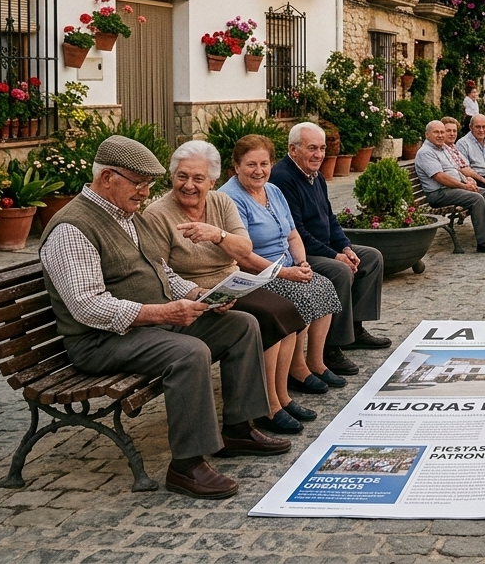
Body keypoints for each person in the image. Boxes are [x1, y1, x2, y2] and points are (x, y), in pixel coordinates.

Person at [40, 136, 289, 500]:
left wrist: (199, 297)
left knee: (241, 325)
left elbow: (161, 273)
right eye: (137, 183)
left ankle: (237, 428)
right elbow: (87, 306)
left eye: (148, 184)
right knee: (189, 353)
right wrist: (162, 312)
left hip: (148, 324)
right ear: (107, 178)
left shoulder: (127, 216)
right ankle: (186, 466)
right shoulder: (73, 228)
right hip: (100, 340)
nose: (144, 192)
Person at [146, 140, 317, 435]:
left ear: (212, 181)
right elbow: (161, 272)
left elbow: (243, 246)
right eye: (182, 176)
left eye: (198, 179)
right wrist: (198, 293)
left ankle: (281, 397)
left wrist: (217, 234)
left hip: (234, 281)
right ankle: (269, 407)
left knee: (286, 310)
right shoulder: (158, 214)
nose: (189, 185)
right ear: (171, 177)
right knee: (265, 317)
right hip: (197, 291)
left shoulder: (221, 203)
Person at [220, 135, 348, 409]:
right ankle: (296, 368)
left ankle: (315, 361)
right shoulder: (230, 198)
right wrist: (284, 273)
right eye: (251, 164)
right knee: (297, 297)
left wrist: (301, 263)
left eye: (264, 163)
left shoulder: (273, 190)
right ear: (236, 166)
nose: (259, 170)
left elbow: (292, 234)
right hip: (258, 272)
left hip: (286, 265)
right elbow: (242, 255)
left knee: (321, 285)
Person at [271, 123, 389, 378]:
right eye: (312, 148)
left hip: (324, 245)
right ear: (293, 149)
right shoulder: (282, 178)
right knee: (339, 271)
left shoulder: (316, 175)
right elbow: (297, 232)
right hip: (300, 253)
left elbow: (330, 220)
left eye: (322, 148)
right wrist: (335, 256)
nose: (319, 154)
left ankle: (355, 330)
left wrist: (345, 247)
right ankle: (330, 348)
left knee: (371, 258)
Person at [415, 120, 485, 254]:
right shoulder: (426, 152)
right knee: (476, 198)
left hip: (453, 189)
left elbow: (456, 170)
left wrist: (468, 181)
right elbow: (440, 177)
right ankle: (484, 242)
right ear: (427, 135)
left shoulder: (443, 149)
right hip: (438, 193)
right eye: (436, 132)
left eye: (442, 132)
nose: (440, 135)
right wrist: (464, 186)